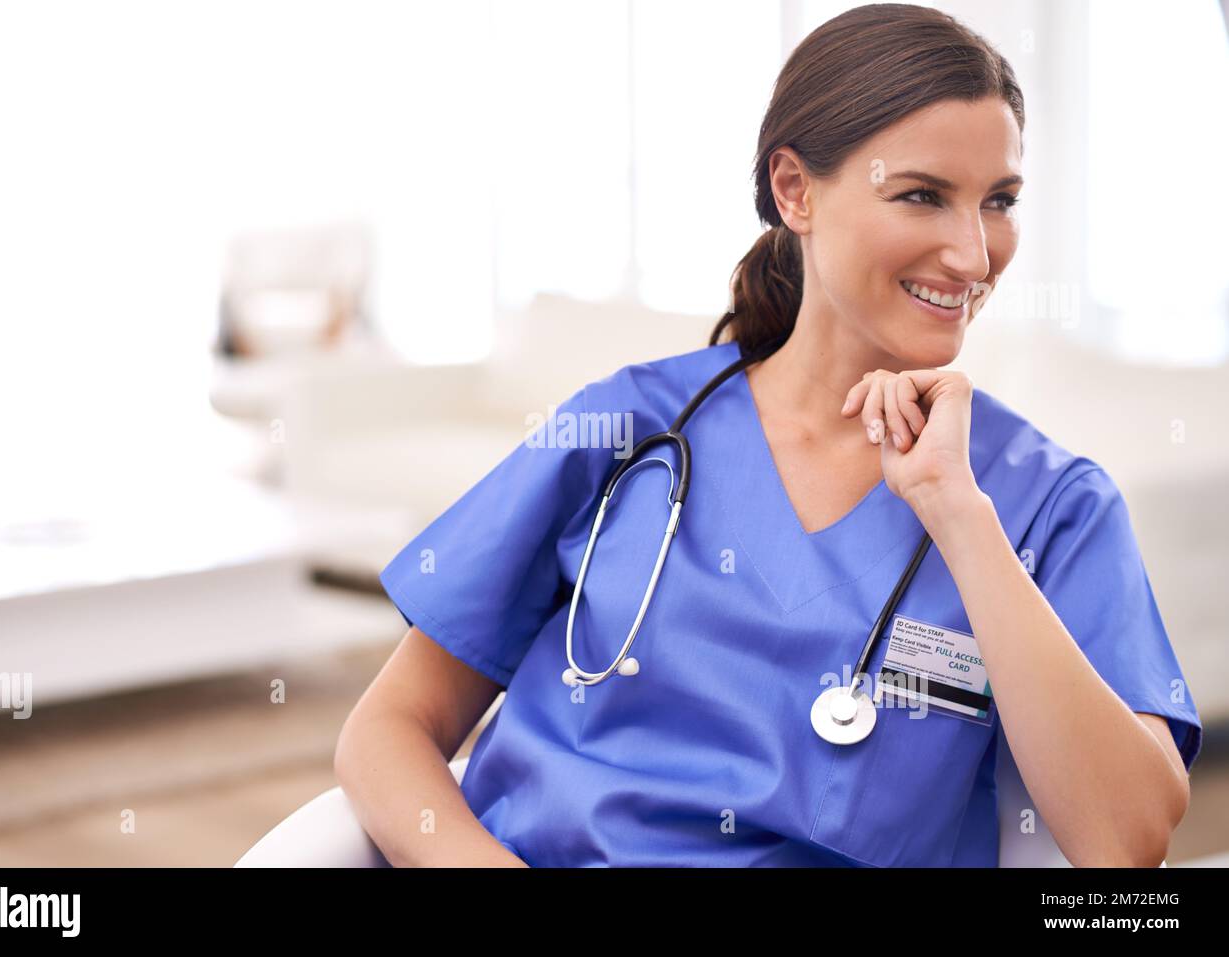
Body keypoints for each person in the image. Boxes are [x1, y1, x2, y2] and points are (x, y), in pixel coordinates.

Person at [334, 2, 1202, 868]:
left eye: (999, 202)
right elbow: (390, 726)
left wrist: (960, 518)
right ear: (796, 190)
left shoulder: (1047, 503)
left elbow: (1124, 843)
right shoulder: (629, 429)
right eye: (922, 196)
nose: (975, 257)